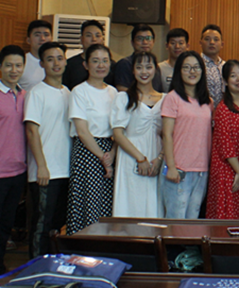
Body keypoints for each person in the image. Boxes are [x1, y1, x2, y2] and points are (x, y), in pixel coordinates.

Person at [25, 42, 71, 256]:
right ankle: (35, 267)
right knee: (42, 225)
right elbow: (31, 131)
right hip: (45, 172)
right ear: (42, 64)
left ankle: (51, 266)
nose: (56, 63)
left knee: (57, 226)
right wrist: (42, 166)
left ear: (66, 61)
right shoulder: (36, 92)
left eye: (59, 58)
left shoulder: (67, 92)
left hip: (65, 170)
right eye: (50, 59)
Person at [67, 44, 118, 234]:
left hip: (110, 149)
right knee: (88, 204)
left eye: (105, 61)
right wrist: (104, 158)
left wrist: (112, 153)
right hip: (87, 152)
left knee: (106, 204)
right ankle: (84, 246)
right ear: (86, 65)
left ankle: (103, 245)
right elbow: (82, 131)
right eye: (95, 61)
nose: (101, 65)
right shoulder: (79, 91)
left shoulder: (114, 92)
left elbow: (119, 128)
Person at [110, 51, 164, 218]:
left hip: (157, 158)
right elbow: (118, 134)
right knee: (131, 205)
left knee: (155, 207)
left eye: (148, 67)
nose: (144, 72)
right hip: (131, 157)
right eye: (139, 67)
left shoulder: (165, 99)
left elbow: (170, 134)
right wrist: (140, 158)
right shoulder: (123, 98)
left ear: (155, 69)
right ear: (133, 71)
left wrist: (160, 159)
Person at [160, 51, 212, 219]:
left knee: (193, 218)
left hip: (201, 169)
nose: (192, 72)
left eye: (196, 67)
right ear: (179, 71)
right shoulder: (172, 98)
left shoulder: (207, 101)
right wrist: (171, 167)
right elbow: (167, 134)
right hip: (179, 169)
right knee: (176, 219)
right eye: (187, 68)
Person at [207, 60, 239, 219]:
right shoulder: (223, 108)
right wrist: (238, 171)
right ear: (225, 82)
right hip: (227, 169)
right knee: (228, 215)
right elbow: (225, 145)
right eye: (233, 76)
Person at [0, 45, 27, 271]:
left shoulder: (25, 95)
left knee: (6, 224)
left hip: (18, 171)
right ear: (1, 67)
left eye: (18, 65)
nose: (13, 70)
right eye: (9, 65)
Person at [63, 20, 115, 91]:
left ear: (103, 39)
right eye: (88, 35)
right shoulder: (69, 65)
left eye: (97, 36)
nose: (94, 39)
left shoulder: (112, 65)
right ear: (81, 39)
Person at [115, 24, 164, 93]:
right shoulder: (125, 64)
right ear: (132, 42)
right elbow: (122, 91)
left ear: (153, 41)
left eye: (148, 38)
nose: (145, 42)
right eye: (140, 39)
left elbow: (158, 91)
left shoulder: (155, 66)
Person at [20, 20, 52, 92]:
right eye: (37, 35)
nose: (42, 38)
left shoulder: (57, 63)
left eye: (46, 35)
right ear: (28, 40)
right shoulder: (22, 61)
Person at [200, 24, 225, 105]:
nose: (212, 42)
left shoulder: (226, 66)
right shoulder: (196, 65)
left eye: (216, 39)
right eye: (207, 39)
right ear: (200, 43)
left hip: (223, 111)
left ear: (222, 44)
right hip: (201, 109)